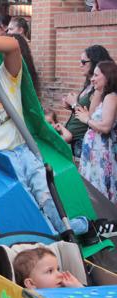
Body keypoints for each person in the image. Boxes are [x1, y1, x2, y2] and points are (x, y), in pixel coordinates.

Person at [0, 31, 100, 239]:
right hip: (1, 163)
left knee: (48, 201)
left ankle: (71, 230)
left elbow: (13, 46)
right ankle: (69, 236)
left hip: (24, 152)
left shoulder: (3, 81)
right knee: (30, 208)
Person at [74, 60, 117, 203]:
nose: (92, 79)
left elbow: (105, 127)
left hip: (101, 154)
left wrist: (86, 120)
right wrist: (98, 90)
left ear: (108, 76)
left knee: (99, 192)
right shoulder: (104, 96)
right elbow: (92, 115)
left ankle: (103, 222)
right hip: (93, 153)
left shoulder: (112, 97)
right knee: (91, 190)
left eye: (96, 75)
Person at [61, 45, 113, 161]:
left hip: (82, 140)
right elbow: (84, 112)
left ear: (94, 62)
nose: (80, 65)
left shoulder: (99, 89)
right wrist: (70, 106)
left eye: (84, 62)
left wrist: (74, 103)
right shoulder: (89, 85)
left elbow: (91, 117)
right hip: (75, 140)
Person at [13, 247, 83, 289]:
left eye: (58, 269)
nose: (60, 275)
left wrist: (78, 288)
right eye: (50, 271)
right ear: (31, 284)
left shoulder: (67, 290)